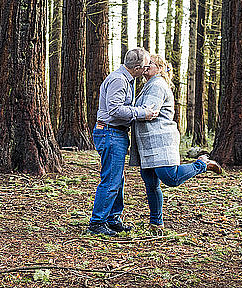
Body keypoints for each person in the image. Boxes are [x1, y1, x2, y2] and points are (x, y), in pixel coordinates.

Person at [129, 54, 222, 235]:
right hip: (146, 141)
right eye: (146, 64)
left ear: (160, 68)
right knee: (150, 183)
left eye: (151, 64)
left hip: (160, 139)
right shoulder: (148, 85)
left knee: (170, 177)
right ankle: (156, 223)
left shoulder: (157, 85)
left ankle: (202, 163)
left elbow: (148, 111)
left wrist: (122, 113)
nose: (146, 66)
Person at [87, 48, 159, 237]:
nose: (146, 70)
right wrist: (143, 113)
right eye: (144, 67)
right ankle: (97, 222)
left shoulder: (127, 79)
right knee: (111, 179)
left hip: (116, 133)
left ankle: (113, 218)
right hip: (110, 133)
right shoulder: (119, 80)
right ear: (136, 67)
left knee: (117, 179)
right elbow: (115, 110)